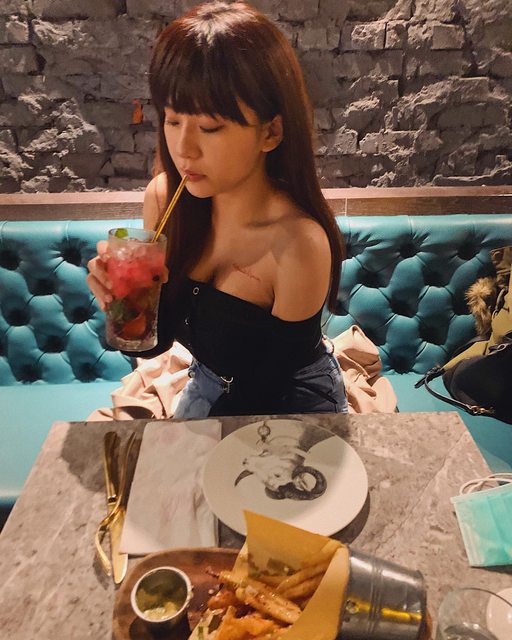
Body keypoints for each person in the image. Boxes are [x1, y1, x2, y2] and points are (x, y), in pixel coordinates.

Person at [87, 0, 347, 419]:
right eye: (173, 120)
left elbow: (266, 389)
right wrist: (125, 307)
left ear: (270, 132)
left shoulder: (298, 244)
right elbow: (155, 344)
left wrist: (194, 438)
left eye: (209, 127)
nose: (184, 149)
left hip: (291, 400)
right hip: (210, 385)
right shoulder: (164, 200)